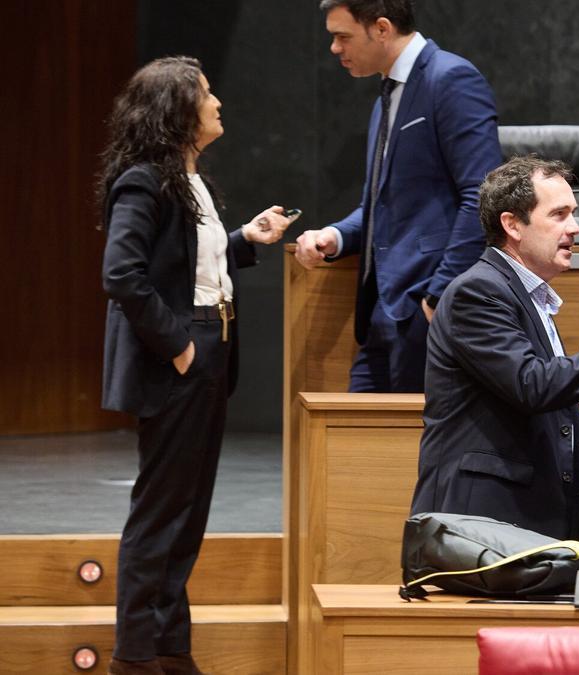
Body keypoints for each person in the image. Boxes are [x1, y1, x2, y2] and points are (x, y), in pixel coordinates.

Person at [98, 57, 293, 674]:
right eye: (207, 96)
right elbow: (121, 275)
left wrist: (243, 240)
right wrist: (178, 345)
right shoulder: (144, 180)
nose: (218, 105)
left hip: (212, 351)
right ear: (179, 112)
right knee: (161, 511)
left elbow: (190, 265)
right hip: (181, 358)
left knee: (187, 513)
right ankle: (134, 655)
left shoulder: (188, 179)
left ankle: (170, 646)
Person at [411, 156, 579, 539]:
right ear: (512, 225)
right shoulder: (478, 292)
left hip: (522, 521)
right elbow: (534, 385)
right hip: (479, 525)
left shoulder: (525, 295)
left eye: (573, 214)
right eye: (558, 215)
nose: (574, 228)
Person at [293, 0, 502, 392]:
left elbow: (483, 194)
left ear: (383, 28)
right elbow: (382, 205)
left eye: (343, 36)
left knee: (413, 450)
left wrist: (437, 298)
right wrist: (336, 236)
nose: (335, 49)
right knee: (357, 444)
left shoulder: (450, 78)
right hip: (381, 310)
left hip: (424, 309)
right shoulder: (384, 100)